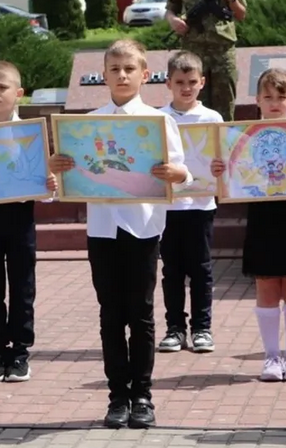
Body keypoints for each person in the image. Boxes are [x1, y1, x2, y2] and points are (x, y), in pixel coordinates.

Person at [48, 39, 193, 430]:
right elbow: (67, 177)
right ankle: (117, 396)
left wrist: (176, 175)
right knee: (110, 314)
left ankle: (142, 395)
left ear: (145, 74)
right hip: (102, 229)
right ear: (104, 75)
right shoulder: (87, 124)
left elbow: (184, 173)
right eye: (115, 69)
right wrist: (58, 166)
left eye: (130, 69)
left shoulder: (160, 122)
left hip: (143, 228)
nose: (123, 75)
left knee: (141, 313)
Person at [211, 68, 286, 383]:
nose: (275, 102)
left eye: (282, 96)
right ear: (257, 100)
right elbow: (231, 180)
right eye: (268, 97)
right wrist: (220, 170)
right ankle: (270, 357)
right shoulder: (244, 134)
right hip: (262, 219)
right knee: (266, 286)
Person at [0, 61, 57, 383]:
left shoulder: (31, 136)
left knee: (22, 288)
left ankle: (19, 353)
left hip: (19, 221)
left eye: (2, 87)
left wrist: (49, 188)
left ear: (19, 93)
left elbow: (44, 190)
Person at [157, 51, 222, 354]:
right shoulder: (157, 118)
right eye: (180, 82)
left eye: (192, 82)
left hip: (200, 206)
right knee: (171, 270)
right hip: (167, 207)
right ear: (168, 83)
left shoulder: (213, 119)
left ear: (202, 83)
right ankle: (174, 328)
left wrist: (221, 170)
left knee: (201, 269)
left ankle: (202, 328)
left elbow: (221, 160)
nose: (186, 87)